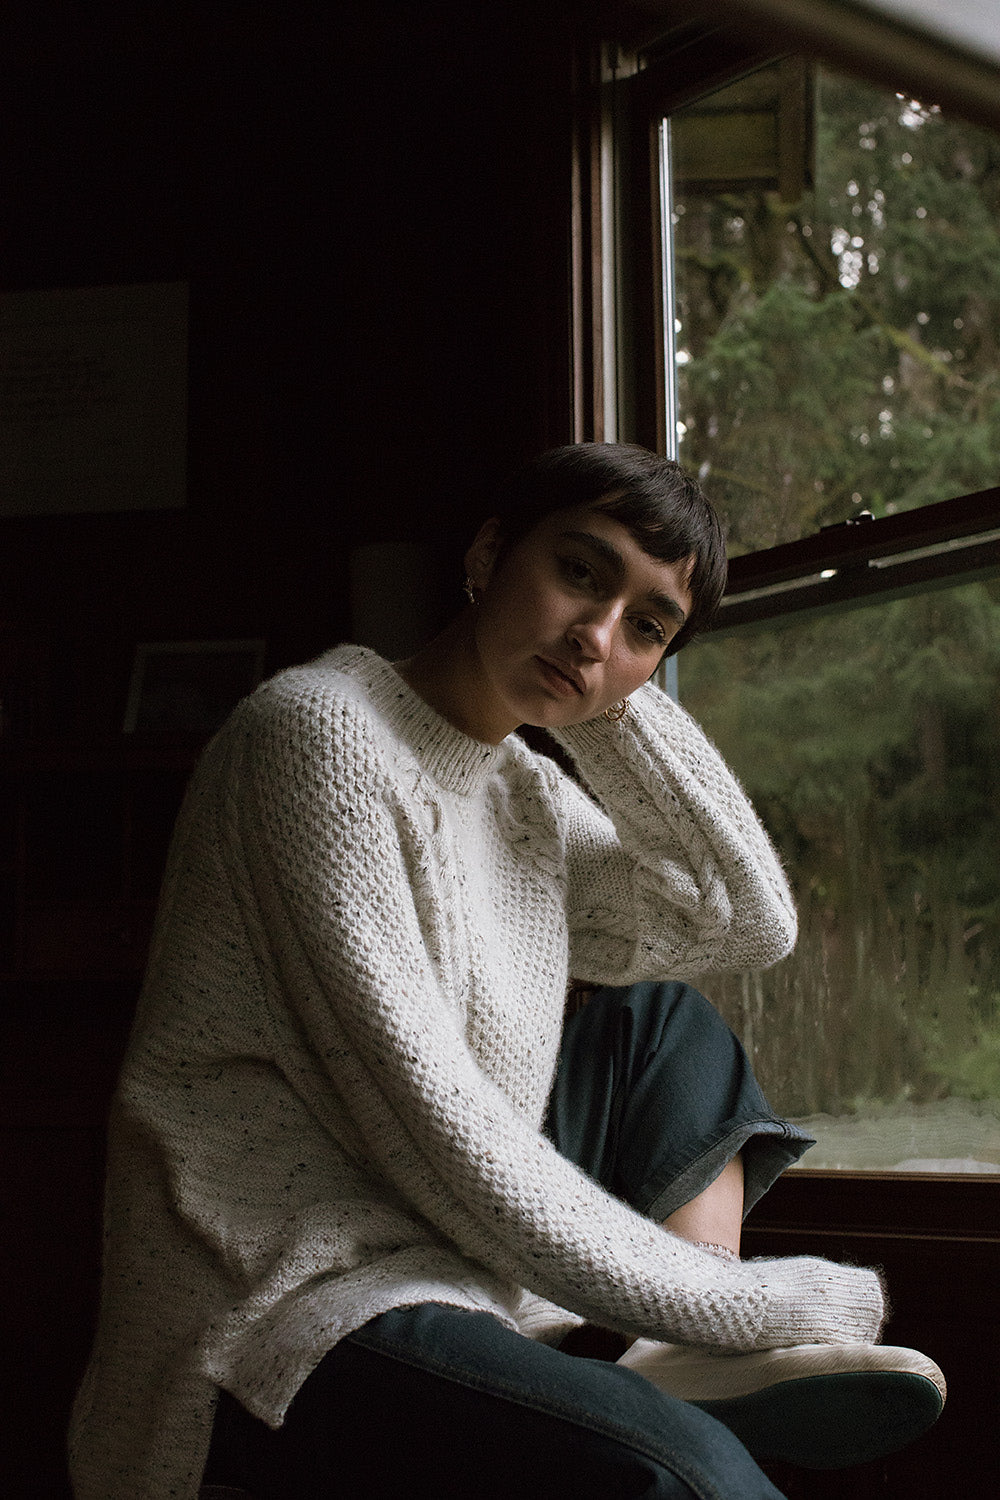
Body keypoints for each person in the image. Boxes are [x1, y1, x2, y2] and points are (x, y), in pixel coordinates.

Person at [69, 444, 945, 1499]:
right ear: (488, 554)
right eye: (579, 572)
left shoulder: (522, 792)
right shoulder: (316, 737)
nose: (596, 631)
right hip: (286, 1294)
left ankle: (676, 1353)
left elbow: (738, 919)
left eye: (649, 625)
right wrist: (754, 1307)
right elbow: (445, 1139)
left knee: (662, 1022)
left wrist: (609, 692)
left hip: (447, 1249)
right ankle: (689, 1343)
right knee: (690, 1472)